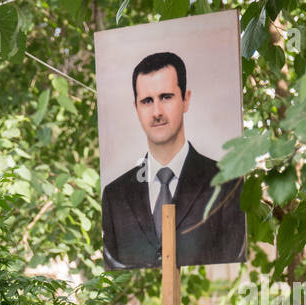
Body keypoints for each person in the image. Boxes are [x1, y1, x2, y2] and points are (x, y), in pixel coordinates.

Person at [101, 51, 245, 270]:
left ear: (185, 100)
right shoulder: (114, 197)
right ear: (136, 108)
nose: (157, 111)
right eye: (147, 101)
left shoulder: (228, 185)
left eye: (166, 97)